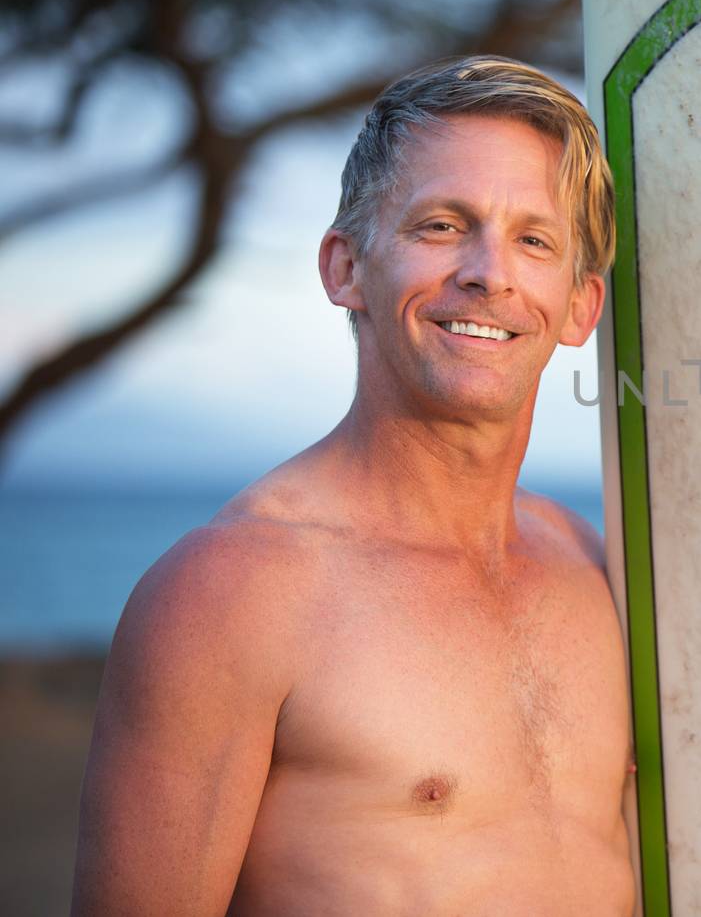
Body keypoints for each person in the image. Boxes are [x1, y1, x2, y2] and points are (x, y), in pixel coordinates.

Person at [71, 56, 634, 915]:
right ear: (344, 267)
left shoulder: (594, 565)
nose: (490, 272)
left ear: (581, 305)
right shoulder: (232, 593)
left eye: (534, 239)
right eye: (443, 225)